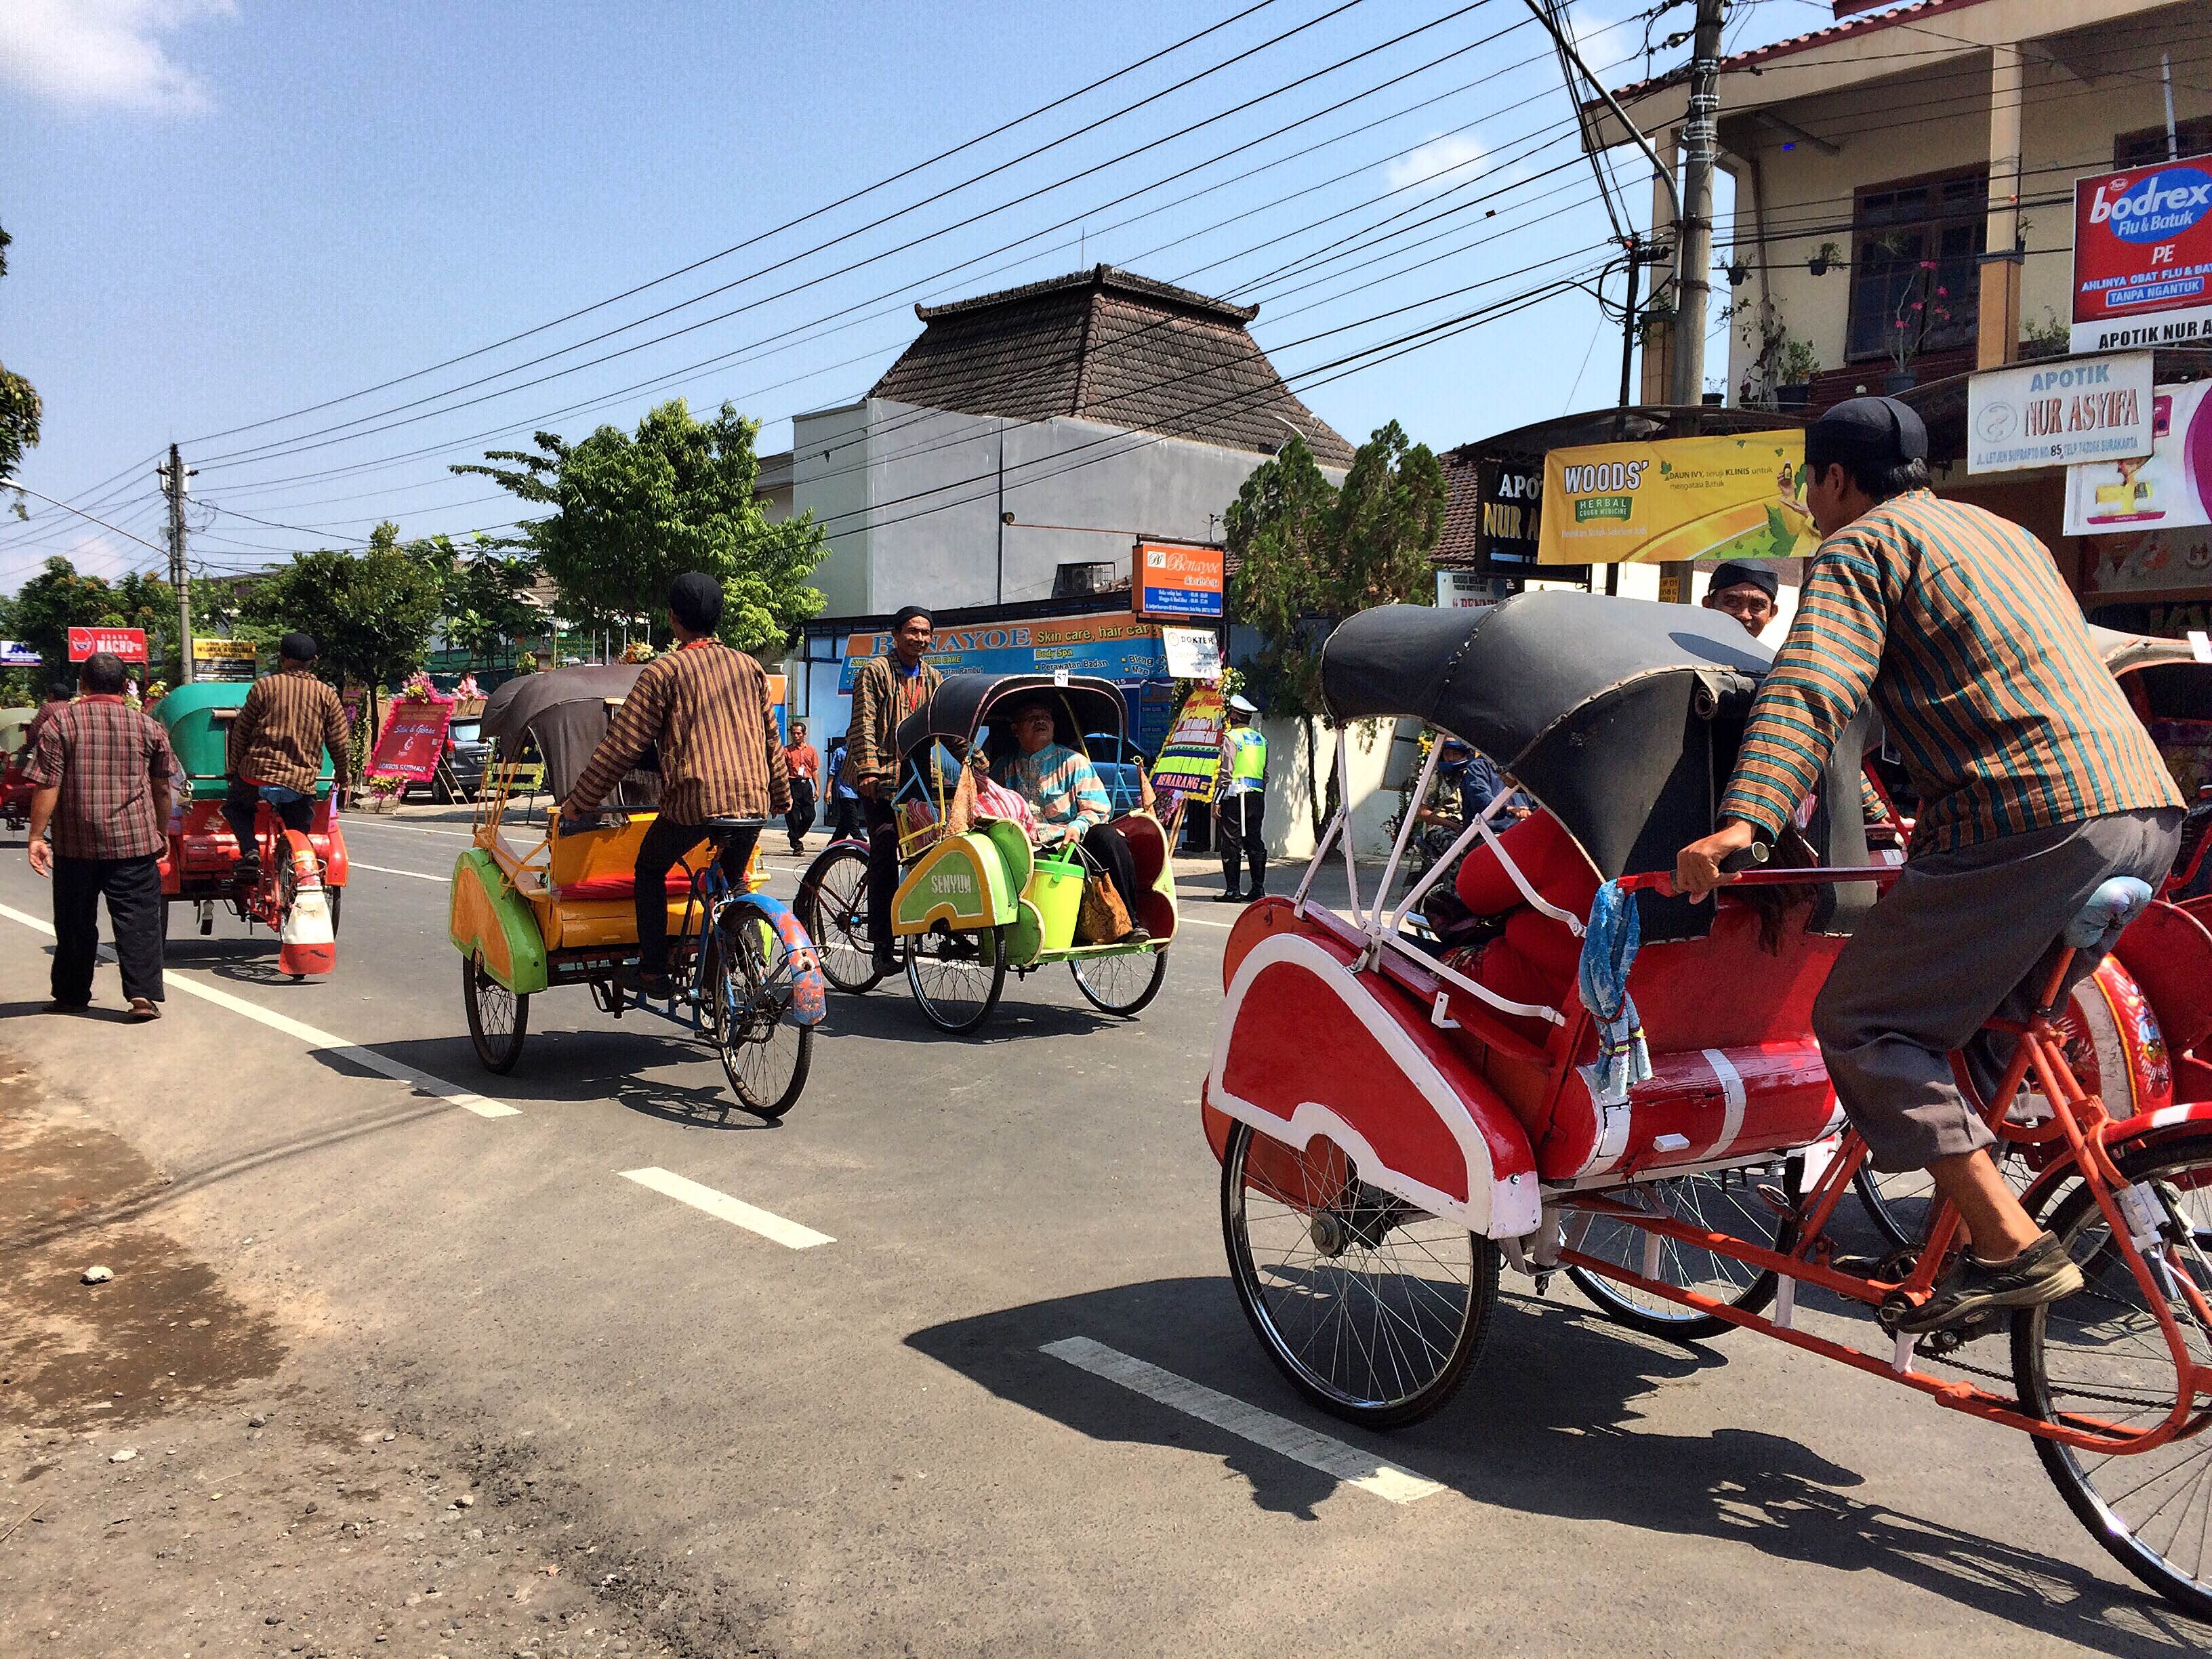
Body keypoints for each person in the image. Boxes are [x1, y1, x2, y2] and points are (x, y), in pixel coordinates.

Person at [1675, 396, 2183, 1334]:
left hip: (2032, 819)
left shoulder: (1860, 548)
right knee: (1984, 1032)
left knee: (1865, 1021)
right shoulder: (2007, 538)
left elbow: (1811, 686)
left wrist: (1745, 821)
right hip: (2147, 809)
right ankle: (1954, 1255)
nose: (1814, 506)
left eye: (1812, 486)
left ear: (1833, 480)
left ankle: (2010, 1247)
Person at [562, 573, 790, 996]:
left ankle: (653, 971)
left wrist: (580, 802)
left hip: (694, 801)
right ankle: (718, 972)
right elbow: (770, 738)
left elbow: (621, 746)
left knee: (649, 869)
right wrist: (780, 797)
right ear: (720, 617)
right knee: (731, 882)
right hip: (752, 800)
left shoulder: (666, 671)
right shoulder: (751, 667)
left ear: (673, 620)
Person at [22, 651, 177, 1019]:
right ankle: (142, 997)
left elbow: (48, 785)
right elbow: (161, 788)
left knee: (75, 922)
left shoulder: (60, 724)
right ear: (126, 687)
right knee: (138, 919)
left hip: (76, 843)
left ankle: (72, 995)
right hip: (135, 842)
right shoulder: (148, 727)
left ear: (82, 685)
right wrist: (161, 829)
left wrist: (36, 837)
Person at [992, 695, 1145, 941]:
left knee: (1107, 836)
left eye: (1046, 718)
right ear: (1015, 730)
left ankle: (1131, 921)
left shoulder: (1074, 762)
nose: (1040, 721)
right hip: (1023, 850)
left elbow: (1097, 809)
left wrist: (1077, 826)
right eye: (1032, 718)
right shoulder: (1003, 769)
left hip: (1072, 844)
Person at [843, 605, 941, 972]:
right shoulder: (875, 672)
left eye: (926, 633)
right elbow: (862, 723)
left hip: (918, 776)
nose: (920, 639)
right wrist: (867, 772)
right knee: (886, 847)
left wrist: (977, 766)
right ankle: (882, 943)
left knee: (934, 846)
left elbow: (947, 730)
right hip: (879, 776)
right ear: (896, 635)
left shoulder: (933, 678)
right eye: (913, 632)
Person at [222, 632, 352, 886]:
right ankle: (297, 862)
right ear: (314, 661)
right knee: (299, 823)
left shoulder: (264, 687)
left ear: (282, 659)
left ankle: (249, 851)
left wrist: (233, 770)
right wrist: (343, 774)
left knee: (237, 807)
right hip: (300, 781)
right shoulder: (327, 695)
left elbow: (241, 733)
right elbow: (338, 742)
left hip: (256, 776)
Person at [1216, 693, 1268, 903]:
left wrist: (1218, 799)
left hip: (1235, 795)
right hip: (1256, 796)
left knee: (1231, 842)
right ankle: (1258, 889)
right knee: (1254, 840)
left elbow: (1226, 772)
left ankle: (1233, 891)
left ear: (1235, 715)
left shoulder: (1231, 738)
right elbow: (1265, 774)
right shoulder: (1262, 740)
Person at [1700, 559, 1780, 636]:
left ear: (1772, 613)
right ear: (1708, 606)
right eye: (1732, 602)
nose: (1744, 615)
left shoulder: (1766, 651)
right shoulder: (1688, 646)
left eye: (1758, 606)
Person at [783, 719, 820, 855]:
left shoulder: (811, 750)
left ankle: (794, 835)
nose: (796, 736)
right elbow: (782, 771)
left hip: (806, 785)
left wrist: (817, 788)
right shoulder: (786, 751)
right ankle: (797, 846)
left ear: (804, 734)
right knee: (792, 816)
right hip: (792, 785)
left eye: (799, 733)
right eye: (794, 733)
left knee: (810, 815)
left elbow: (815, 770)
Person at [20, 680, 74, 760]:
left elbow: (35, 729)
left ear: (52, 695)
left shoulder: (48, 707)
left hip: (51, 751)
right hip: (71, 749)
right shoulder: (73, 707)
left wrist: (26, 748)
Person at [823, 735, 859, 843]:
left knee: (845, 821)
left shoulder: (858, 752)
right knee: (852, 819)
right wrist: (828, 791)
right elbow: (832, 772)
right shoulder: (840, 752)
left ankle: (834, 842)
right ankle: (860, 839)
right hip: (845, 791)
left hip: (857, 791)